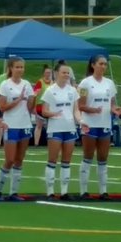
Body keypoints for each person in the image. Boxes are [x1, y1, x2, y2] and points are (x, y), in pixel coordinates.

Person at [77, 55, 121, 200]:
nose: (103, 67)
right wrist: (93, 110)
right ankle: (83, 190)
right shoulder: (85, 83)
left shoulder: (109, 83)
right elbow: (80, 105)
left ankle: (103, 190)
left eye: (105, 64)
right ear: (93, 65)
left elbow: (112, 103)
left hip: (104, 124)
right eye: (100, 64)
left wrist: (115, 109)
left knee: (103, 158)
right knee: (88, 157)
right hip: (90, 124)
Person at [0, 56, 35, 201]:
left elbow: (30, 104)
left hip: (24, 125)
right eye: (17, 67)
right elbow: (2, 107)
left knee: (19, 160)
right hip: (11, 125)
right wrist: (18, 100)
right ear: (11, 68)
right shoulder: (5, 85)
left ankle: (13, 192)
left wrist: (32, 99)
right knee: (10, 159)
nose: (20, 70)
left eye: (22, 67)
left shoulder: (26, 84)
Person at [41, 63, 82, 200]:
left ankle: (64, 191)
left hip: (69, 128)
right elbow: (44, 110)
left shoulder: (72, 91)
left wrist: (81, 121)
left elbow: (75, 109)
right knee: (52, 160)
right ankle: (50, 191)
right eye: (64, 72)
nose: (66, 75)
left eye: (68, 73)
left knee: (66, 161)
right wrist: (52, 114)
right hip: (55, 128)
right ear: (57, 73)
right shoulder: (50, 91)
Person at [32, 65, 53, 146]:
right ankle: (36, 143)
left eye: (49, 73)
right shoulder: (40, 82)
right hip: (40, 106)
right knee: (39, 125)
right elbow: (35, 94)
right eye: (47, 72)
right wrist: (33, 107)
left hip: (49, 106)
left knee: (50, 125)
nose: (48, 74)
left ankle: (50, 142)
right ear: (43, 73)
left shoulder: (52, 83)